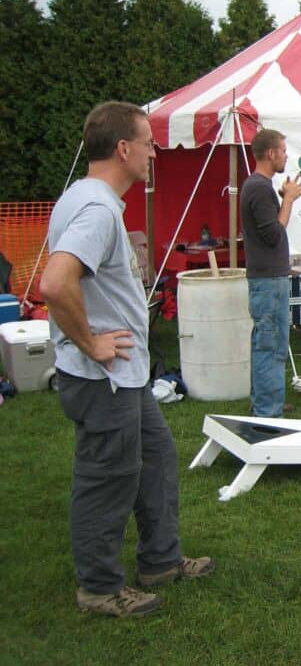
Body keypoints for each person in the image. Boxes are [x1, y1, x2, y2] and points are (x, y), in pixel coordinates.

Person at [40, 101, 213, 618]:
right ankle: (99, 589)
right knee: (107, 479)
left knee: (155, 458)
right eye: (148, 143)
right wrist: (91, 343)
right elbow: (55, 283)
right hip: (103, 377)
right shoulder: (96, 209)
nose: (154, 152)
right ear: (123, 148)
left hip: (126, 377)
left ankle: (160, 559)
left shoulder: (84, 198)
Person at [240, 128, 301, 418]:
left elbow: (267, 228)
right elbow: (273, 235)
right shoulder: (259, 187)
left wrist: (281, 198)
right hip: (268, 281)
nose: (286, 155)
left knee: (266, 343)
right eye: (283, 150)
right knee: (271, 346)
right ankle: (268, 411)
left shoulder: (259, 187)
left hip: (266, 278)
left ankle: (265, 402)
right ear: (271, 153)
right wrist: (288, 200)